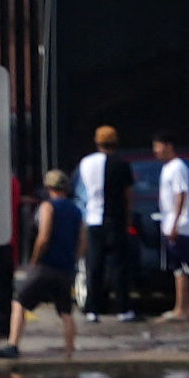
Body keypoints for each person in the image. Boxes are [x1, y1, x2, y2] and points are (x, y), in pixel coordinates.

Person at [0, 183, 83, 359]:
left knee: (19, 302)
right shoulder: (76, 210)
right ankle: (69, 351)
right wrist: (73, 259)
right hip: (65, 269)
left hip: (46, 266)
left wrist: (35, 260)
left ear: (50, 188)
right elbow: (83, 239)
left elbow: (43, 237)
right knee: (65, 311)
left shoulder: (48, 206)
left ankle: (13, 345)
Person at [77, 124, 128, 317]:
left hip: (93, 218)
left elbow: (81, 191)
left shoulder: (86, 163)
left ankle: (93, 309)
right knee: (118, 266)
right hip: (114, 218)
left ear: (97, 142)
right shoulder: (121, 163)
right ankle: (123, 308)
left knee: (94, 266)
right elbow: (127, 193)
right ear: (115, 142)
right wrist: (128, 218)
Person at [153, 135, 189, 323]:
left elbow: (180, 194)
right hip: (169, 222)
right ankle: (185, 307)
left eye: (157, 146)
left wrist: (175, 222)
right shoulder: (167, 168)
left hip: (178, 224)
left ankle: (182, 308)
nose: (155, 151)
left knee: (182, 267)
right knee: (177, 267)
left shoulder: (178, 167)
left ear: (168, 145)